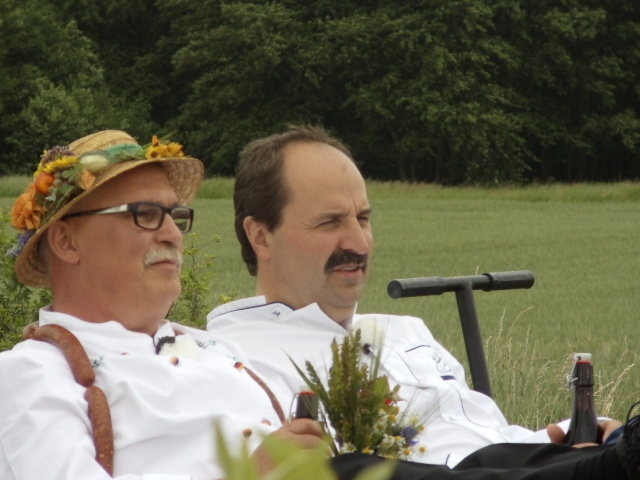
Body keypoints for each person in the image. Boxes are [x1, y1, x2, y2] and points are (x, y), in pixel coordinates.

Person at [206, 124, 639, 479]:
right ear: (261, 235)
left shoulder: (405, 331)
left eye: (363, 218)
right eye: (329, 222)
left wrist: (566, 436)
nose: (358, 242)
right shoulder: (232, 360)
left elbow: (485, 440)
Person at [0, 130, 324, 479]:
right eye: (144, 213)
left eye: (174, 215)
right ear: (66, 241)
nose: (172, 234)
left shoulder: (220, 348)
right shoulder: (33, 373)